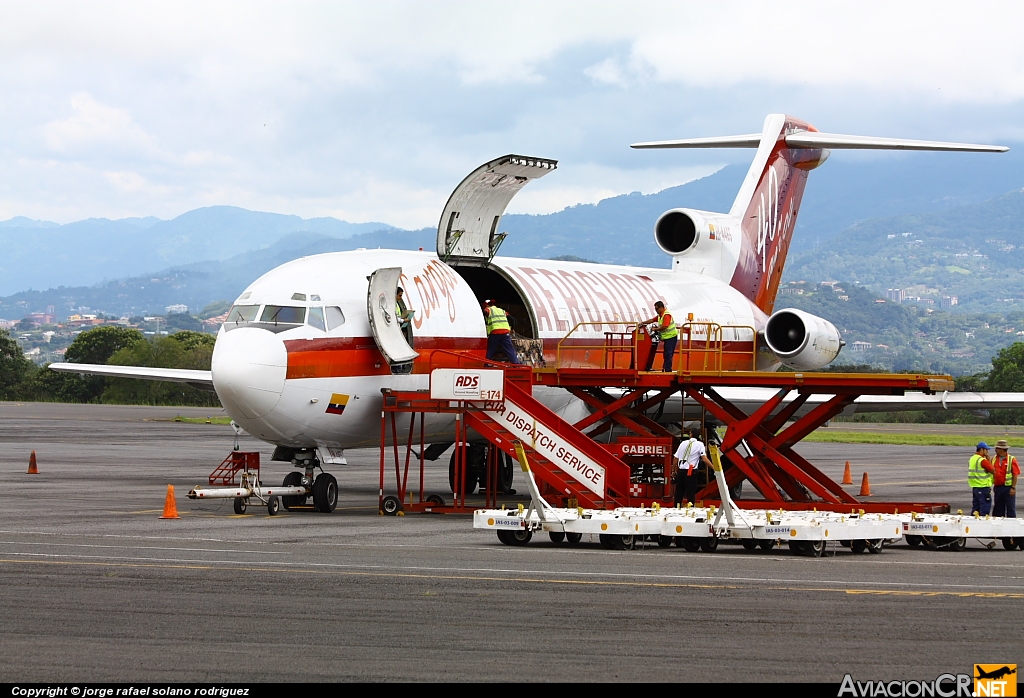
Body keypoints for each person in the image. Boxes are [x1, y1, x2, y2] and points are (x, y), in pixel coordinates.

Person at [673, 429, 713, 507]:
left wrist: (673, 471)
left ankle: (676, 508)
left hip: (681, 471)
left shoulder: (683, 443)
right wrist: (713, 467)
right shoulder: (700, 444)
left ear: (691, 434)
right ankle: (690, 508)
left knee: (679, 493)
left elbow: (675, 458)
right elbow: (704, 459)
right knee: (690, 493)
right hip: (691, 472)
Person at [639, 301, 678, 372]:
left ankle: (667, 370)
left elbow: (665, 326)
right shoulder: (660, 316)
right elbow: (652, 320)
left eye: (657, 309)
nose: (656, 310)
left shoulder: (666, 315)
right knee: (666, 354)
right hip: (667, 337)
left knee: (668, 354)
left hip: (671, 337)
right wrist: (643, 323)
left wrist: (655, 329)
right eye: (655, 309)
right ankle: (666, 369)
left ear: (661, 308)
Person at [482, 299, 520, 363]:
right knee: (510, 350)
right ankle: (517, 364)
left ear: (487, 305)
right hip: (505, 333)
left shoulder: (488, 309)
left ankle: (487, 363)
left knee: (491, 349)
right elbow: (512, 319)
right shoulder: (502, 310)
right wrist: (512, 329)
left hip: (495, 332)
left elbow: (484, 312)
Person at [992, 439, 1019, 518]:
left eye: (997, 448)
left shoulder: (1011, 459)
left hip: (1008, 488)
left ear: (1001, 449)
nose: (995, 450)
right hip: (998, 487)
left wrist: (1013, 487)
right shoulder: (994, 459)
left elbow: (1015, 474)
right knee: (998, 509)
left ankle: (1012, 524)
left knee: (1010, 509)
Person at [968, 441, 996, 516]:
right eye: (986, 450)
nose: (987, 451)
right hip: (983, 486)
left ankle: (974, 521)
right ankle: (983, 521)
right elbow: (993, 470)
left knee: (975, 508)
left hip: (975, 486)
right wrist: (988, 460)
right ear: (981, 449)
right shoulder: (982, 460)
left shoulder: (972, 458)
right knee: (985, 507)